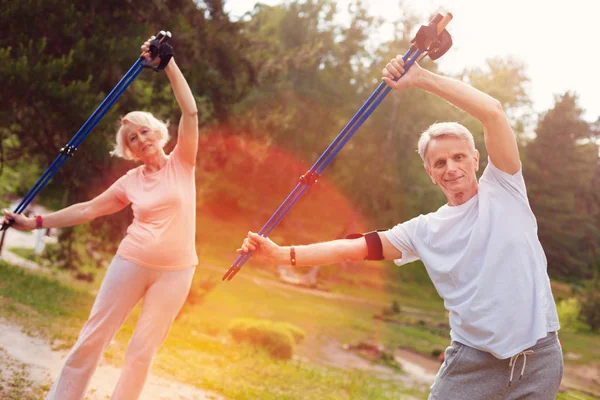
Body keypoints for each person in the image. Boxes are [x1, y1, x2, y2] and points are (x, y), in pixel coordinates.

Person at [239, 54, 563, 399]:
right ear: (430, 173)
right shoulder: (424, 230)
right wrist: (281, 254)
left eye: (458, 157)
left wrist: (420, 78)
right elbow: (353, 248)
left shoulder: (506, 190)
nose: (451, 167)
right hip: (472, 363)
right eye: (440, 162)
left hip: (538, 360)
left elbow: (493, 111)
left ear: (476, 159)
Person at [3, 35, 199, 400]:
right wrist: (35, 223)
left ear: (157, 133)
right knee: (93, 338)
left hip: (176, 272)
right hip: (131, 262)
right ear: (129, 150)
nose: (141, 139)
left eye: (144, 131)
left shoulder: (183, 163)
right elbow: (88, 209)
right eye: (132, 138)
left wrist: (167, 64)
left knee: (141, 352)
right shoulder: (131, 181)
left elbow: (190, 112)